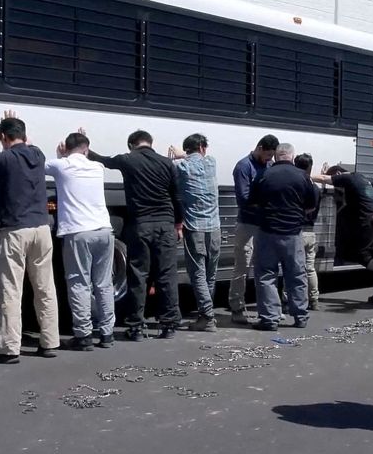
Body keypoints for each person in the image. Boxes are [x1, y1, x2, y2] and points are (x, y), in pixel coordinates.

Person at [0, 110, 59, 362]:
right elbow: (25, 142)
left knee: (11, 289)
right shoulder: (38, 154)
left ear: (3, 138)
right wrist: (14, 125)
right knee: (45, 287)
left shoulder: (4, 157)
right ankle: (49, 342)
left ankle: (10, 348)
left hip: (15, 229)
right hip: (42, 228)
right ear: (24, 135)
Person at [89, 129, 183, 340]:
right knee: (166, 275)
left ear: (131, 144)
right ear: (151, 143)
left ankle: (136, 327)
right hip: (165, 225)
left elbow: (103, 160)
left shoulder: (128, 160)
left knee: (138, 276)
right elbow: (177, 196)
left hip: (140, 225)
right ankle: (168, 324)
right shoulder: (167, 163)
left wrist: (85, 146)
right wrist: (179, 223)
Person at [46, 132, 115, 351]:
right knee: (104, 283)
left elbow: (38, 167)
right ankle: (107, 333)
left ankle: (84, 335)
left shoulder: (61, 165)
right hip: (104, 230)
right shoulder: (97, 168)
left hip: (78, 232)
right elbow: (89, 156)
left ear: (66, 148)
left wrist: (61, 156)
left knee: (79, 283)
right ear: (86, 149)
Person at [247, 144, 318, 331]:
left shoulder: (263, 175)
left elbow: (252, 202)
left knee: (266, 276)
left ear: (276, 157)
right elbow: (311, 205)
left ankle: (269, 319)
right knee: (296, 275)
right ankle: (300, 316)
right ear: (292, 157)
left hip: (267, 232)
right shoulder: (302, 176)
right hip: (293, 233)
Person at [311, 165, 373, 304]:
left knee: (358, 254)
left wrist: (304, 175)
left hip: (369, 220)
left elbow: (324, 178)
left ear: (338, 174)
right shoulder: (361, 178)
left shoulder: (348, 178)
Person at [169, 134, 220, 332]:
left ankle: (207, 317)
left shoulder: (181, 168)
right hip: (214, 228)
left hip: (195, 227)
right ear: (202, 147)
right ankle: (205, 314)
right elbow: (200, 157)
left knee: (197, 273)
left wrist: (176, 157)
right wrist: (184, 154)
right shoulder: (211, 163)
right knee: (210, 274)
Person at [229, 135, 279, 325]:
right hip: (248, 224)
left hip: (264, 225)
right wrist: (267, 206)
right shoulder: (243, 166)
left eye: (271, 156)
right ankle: (237, 308)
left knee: (266, 268)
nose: (268, 159)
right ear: (259, 148)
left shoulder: (268, 166)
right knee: (242, 267)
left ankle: (266, 308)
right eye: (267, 155)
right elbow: (243, 198)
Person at [294, 153, 322, 310]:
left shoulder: (298, 186)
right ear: (310, 168)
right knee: (310, 268)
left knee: (292, 267)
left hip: (298, 231)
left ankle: (288, 299)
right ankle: (314, 299)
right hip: (311, 232)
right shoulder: (315, 188)